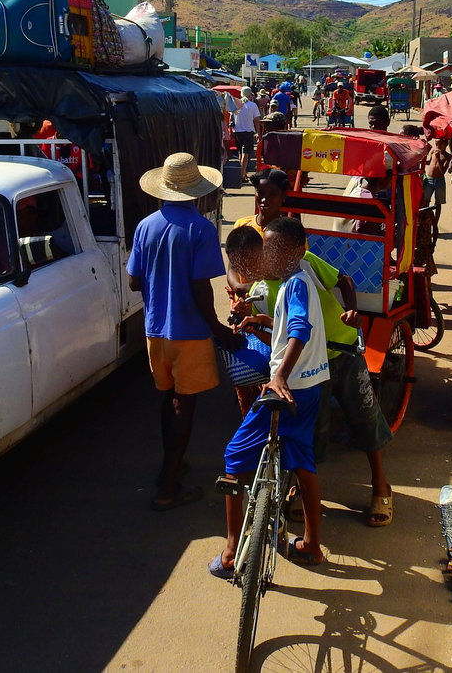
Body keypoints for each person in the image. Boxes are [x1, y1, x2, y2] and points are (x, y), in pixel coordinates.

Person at [228, 172, 395, 526]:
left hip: (340, 350)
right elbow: (282, 327)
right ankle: (299, 490)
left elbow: (343, 281)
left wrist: (352, 311)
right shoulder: (261, 285)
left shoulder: (304, 267)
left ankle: (381, 486)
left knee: (364, 417)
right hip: (307, 368)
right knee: (310, 431)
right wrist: (252, 319)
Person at [210, 216, 330, 578]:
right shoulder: (299, 281)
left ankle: (231, 552)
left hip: (286, 389)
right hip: (311, 387)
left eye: (276, 250)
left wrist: (277, 375)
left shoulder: (294, 285)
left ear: (296, 251)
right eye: (268, 250)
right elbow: (287, 332)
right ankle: (311, 544)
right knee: (302, 461)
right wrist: (261, 324)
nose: (270, 257)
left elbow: (298, 331)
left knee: (234, 456)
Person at [127, 152, 238, 511]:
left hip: (155, 329)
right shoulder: (201, 229)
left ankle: (169, 469)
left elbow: (133, 281)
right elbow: (201, 289)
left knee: (169, 396)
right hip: (188, 330)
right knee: (183, 404)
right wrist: (218, 329)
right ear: (197, 192)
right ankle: (168, 488)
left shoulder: (146, 225)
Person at [421, 133, 451, 225]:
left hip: (439, 181)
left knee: (438, 203)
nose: (438, 146)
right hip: (429, 179)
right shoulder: (433, 151)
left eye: (440, 144)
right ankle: (424, 220)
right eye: (436, 144)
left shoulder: (447, 156)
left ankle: (435, 223)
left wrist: (438, 158)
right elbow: (430, 162)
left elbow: (442, 171)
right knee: (425, 201)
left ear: (445, 145)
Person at [233, 87, 261, 175]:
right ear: (250, 95)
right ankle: (242, 173)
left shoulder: (235, 104)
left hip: (237, 132)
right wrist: (259, 134)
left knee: (240, 153)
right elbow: (256, 121)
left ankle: (242, 173)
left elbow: (231, 119)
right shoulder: (253, 105)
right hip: (248, 132)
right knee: (245, 153)